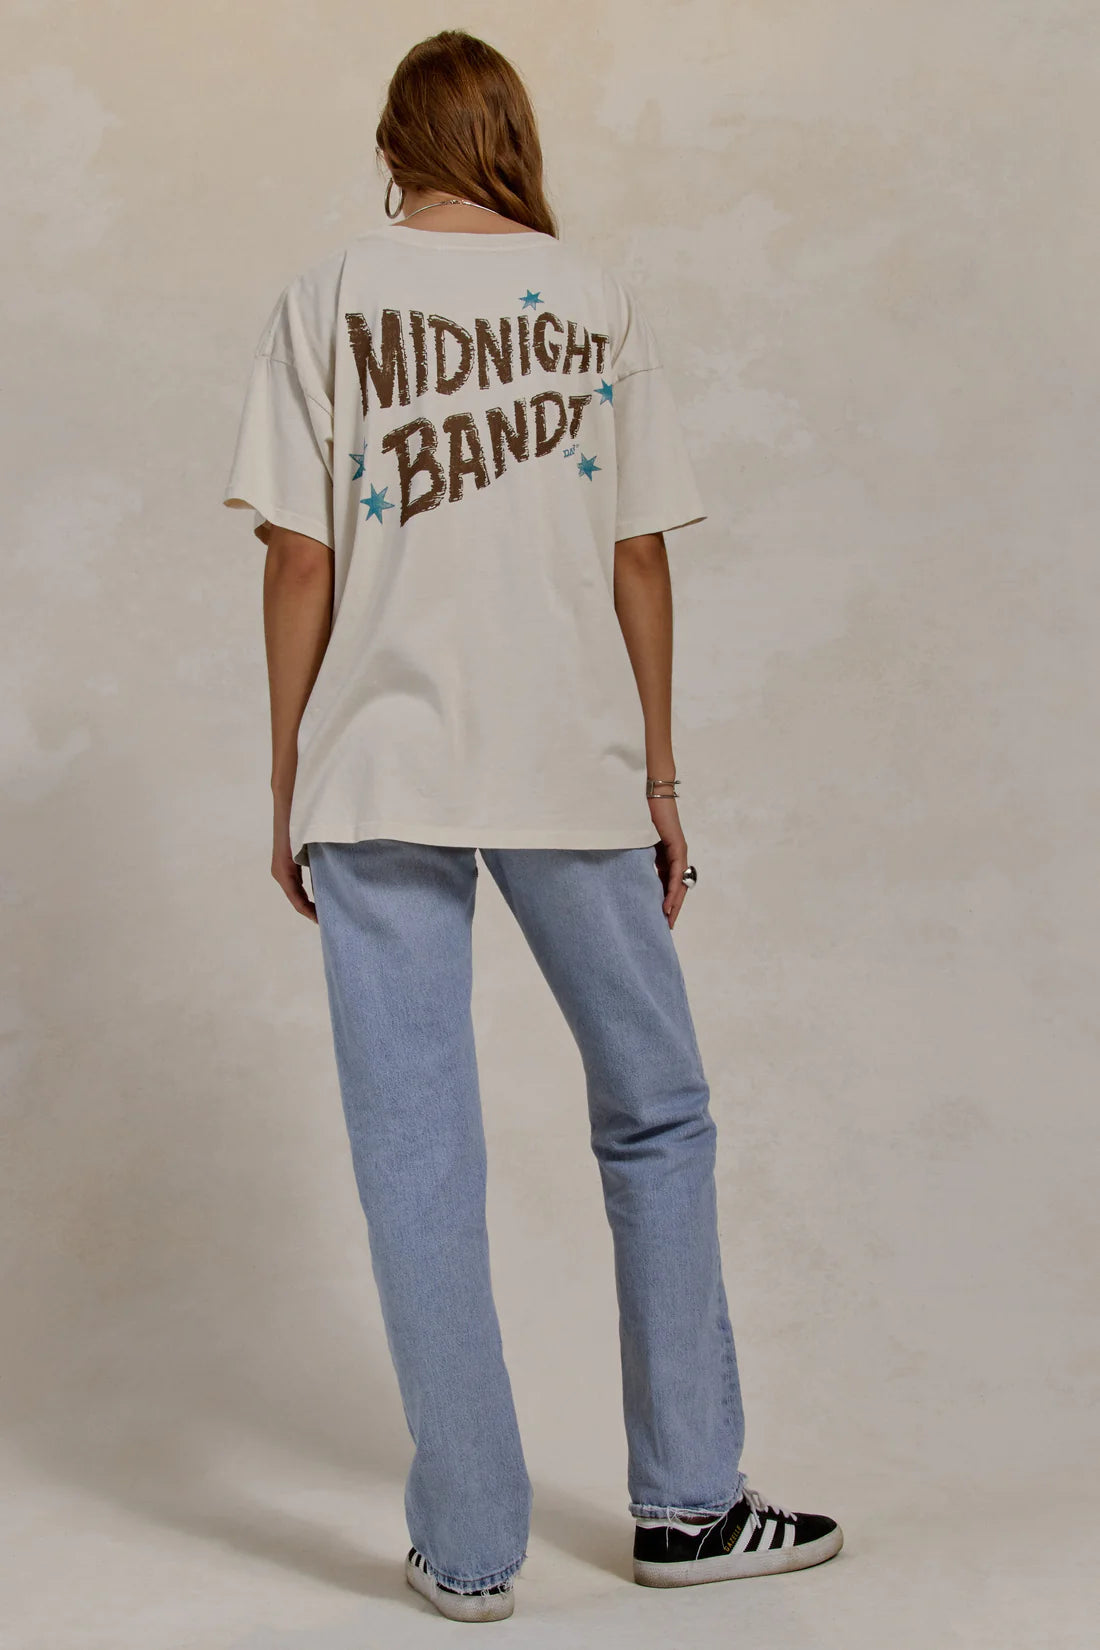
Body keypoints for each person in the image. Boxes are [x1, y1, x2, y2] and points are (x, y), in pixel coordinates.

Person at [221, 28, 842, 1625]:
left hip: (381, 773)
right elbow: (638, 555)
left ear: (394, 145)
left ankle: (471, 1549)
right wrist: (662, 778)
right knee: (658, 1112)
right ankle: (690, 1503)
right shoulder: (596, 297)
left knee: (415, 1152)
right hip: (570, 763)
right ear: (508, 135)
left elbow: (300, 556)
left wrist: (289, 772)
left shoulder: (325, 298)